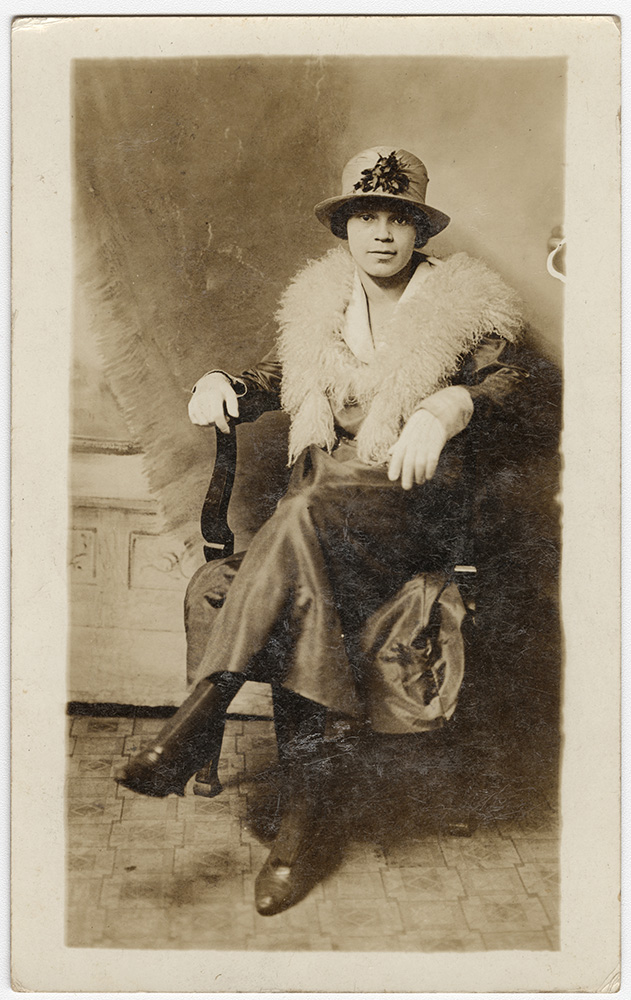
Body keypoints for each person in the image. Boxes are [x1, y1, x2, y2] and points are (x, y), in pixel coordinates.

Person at [115, 147, 528, 915]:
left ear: (417, 231)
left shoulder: (459, 307)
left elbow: (512, 381)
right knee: (308, 572)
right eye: (365, 217)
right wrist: (227, 384)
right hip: (321, 515)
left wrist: (446, 409)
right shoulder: (321, 304)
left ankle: (205, 712)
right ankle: (298, 829)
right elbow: (280, 375)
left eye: (397, 220)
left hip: (407, 510)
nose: (380, 234)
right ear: (345, 227)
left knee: (297, 519)